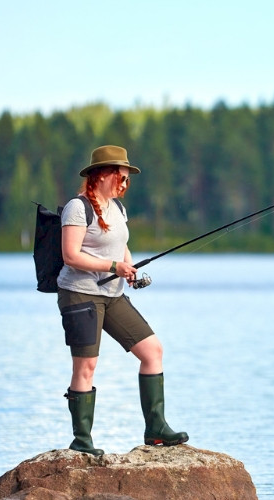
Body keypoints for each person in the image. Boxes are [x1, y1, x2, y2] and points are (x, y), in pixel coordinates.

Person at [57, 145, 188, 456]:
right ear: (103, 174)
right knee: (86, 366)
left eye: (128, 179)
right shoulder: (77, 208)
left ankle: (155, 429)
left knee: (152, 350)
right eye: (122, 178)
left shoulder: (118, 209)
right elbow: (70, 255)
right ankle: (82, 442)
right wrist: (114, 266)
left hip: (113, 294)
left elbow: (121, 248)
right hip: (80, 294)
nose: (125, 184)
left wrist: (128, 268)